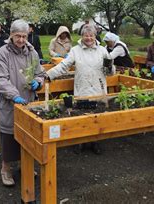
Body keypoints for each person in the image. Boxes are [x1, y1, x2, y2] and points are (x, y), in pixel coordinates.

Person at [47, 24, 113, 155]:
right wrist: (48, 74)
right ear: (81, 36)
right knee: (81, 115)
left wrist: (110, 67)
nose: (88, 38)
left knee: (97, 116)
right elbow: (63, 66)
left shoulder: (102, 51)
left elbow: (109, 72)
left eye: (91, 35)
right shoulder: (75, 50)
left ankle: (95, 142)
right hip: (82, 87)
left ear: (95, 37)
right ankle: (80, 142)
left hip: (98, 88)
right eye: (86, 35)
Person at [0, 19, 44, 186]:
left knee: (28, 136)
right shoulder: (3, 53)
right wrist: (14, 95)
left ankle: (25, 165)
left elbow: (40, 73)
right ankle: (6, 169)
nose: (21, 40)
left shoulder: (32, 53)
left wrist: (38, 81)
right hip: (11, 102)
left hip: (29, 101)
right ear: (11, 35)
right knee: (9, 136)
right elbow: (0, 79)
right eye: (18, 36)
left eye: (24, 36)